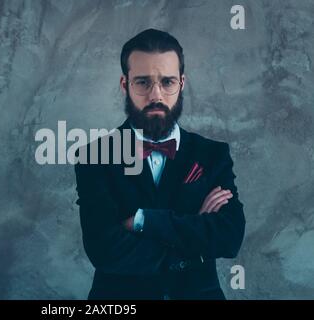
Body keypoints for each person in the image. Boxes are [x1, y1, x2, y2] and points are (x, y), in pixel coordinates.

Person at [74, 29, 246, 300]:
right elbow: (104, 249)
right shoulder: (94, 156)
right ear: (125, 84)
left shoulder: (212, 154)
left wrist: (142, 221)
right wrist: (194, 237)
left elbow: (229, 237)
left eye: (167, 82)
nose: (156, 95)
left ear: (182, 83)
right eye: (143, 82)